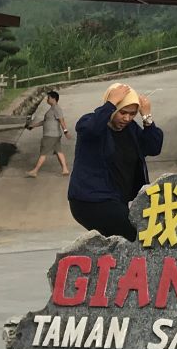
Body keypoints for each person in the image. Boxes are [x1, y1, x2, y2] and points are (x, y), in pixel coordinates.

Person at [67, 83, 163, 240]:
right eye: (122, 112)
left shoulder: (131, 129)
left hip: (117, 201)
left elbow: (153, 147)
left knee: (133, 239)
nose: (127, 118)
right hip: (90, 200)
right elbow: (92, 129)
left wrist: (147, 118)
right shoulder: (90, 122)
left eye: (132, 114)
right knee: (139, 234)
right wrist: (110, 104)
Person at [24, 90, 70, 178]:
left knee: (43, 153)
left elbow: (61, 120)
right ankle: (65, 169)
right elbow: (45, 121)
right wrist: (33, 126)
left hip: (51, 135)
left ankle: (35, 171)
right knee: (58, 151)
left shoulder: (56, 108)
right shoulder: (52, 109)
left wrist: (66, 131)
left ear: (53, 99)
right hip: (54, 135)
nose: (47, 100)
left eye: (48, 98)